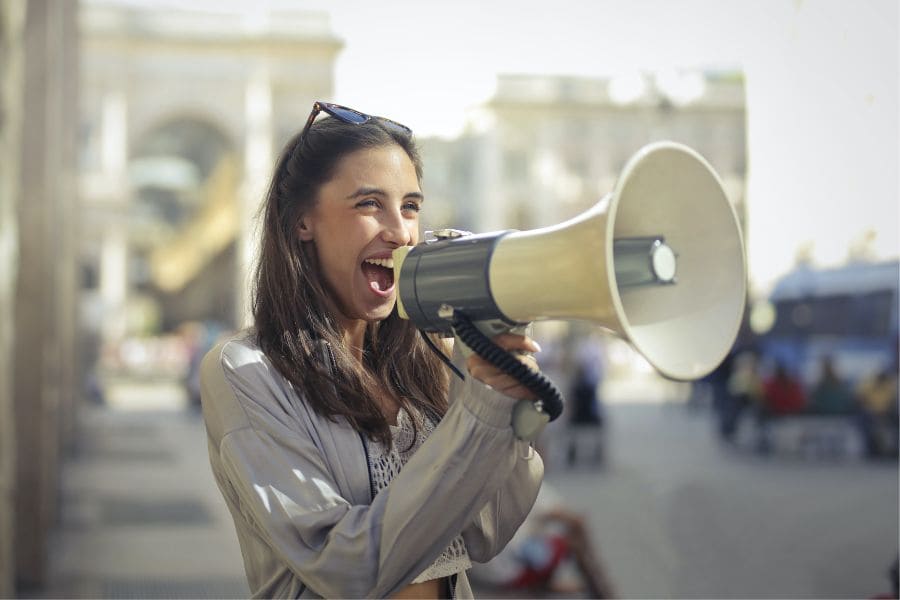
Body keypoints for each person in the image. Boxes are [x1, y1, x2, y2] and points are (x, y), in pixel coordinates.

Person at [199, 101, 545, 599]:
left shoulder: (427, 359)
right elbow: (345, 568)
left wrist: (500, 404)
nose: (400, 231)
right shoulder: (245, 371)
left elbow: (483, 532)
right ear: (302, 222)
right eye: (368, 204)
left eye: (410, 206)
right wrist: (476, 415)